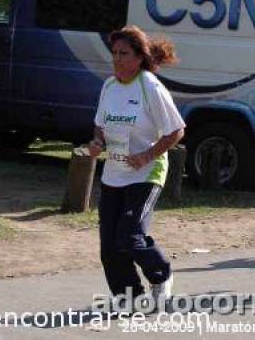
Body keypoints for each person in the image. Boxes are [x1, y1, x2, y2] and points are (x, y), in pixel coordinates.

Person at [88, 25, 185, 307]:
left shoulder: (150, 86)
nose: (117, 59)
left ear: (140, 57)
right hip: (114, 174)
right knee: (109, 245)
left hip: (146, 173)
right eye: (114, 53)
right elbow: (99, 128)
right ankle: (129, 297)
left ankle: (161, 275)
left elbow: (176, 131)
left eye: (124, 53)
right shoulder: (109, 86)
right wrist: (97, 143)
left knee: (130, 236)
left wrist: (146, 155)